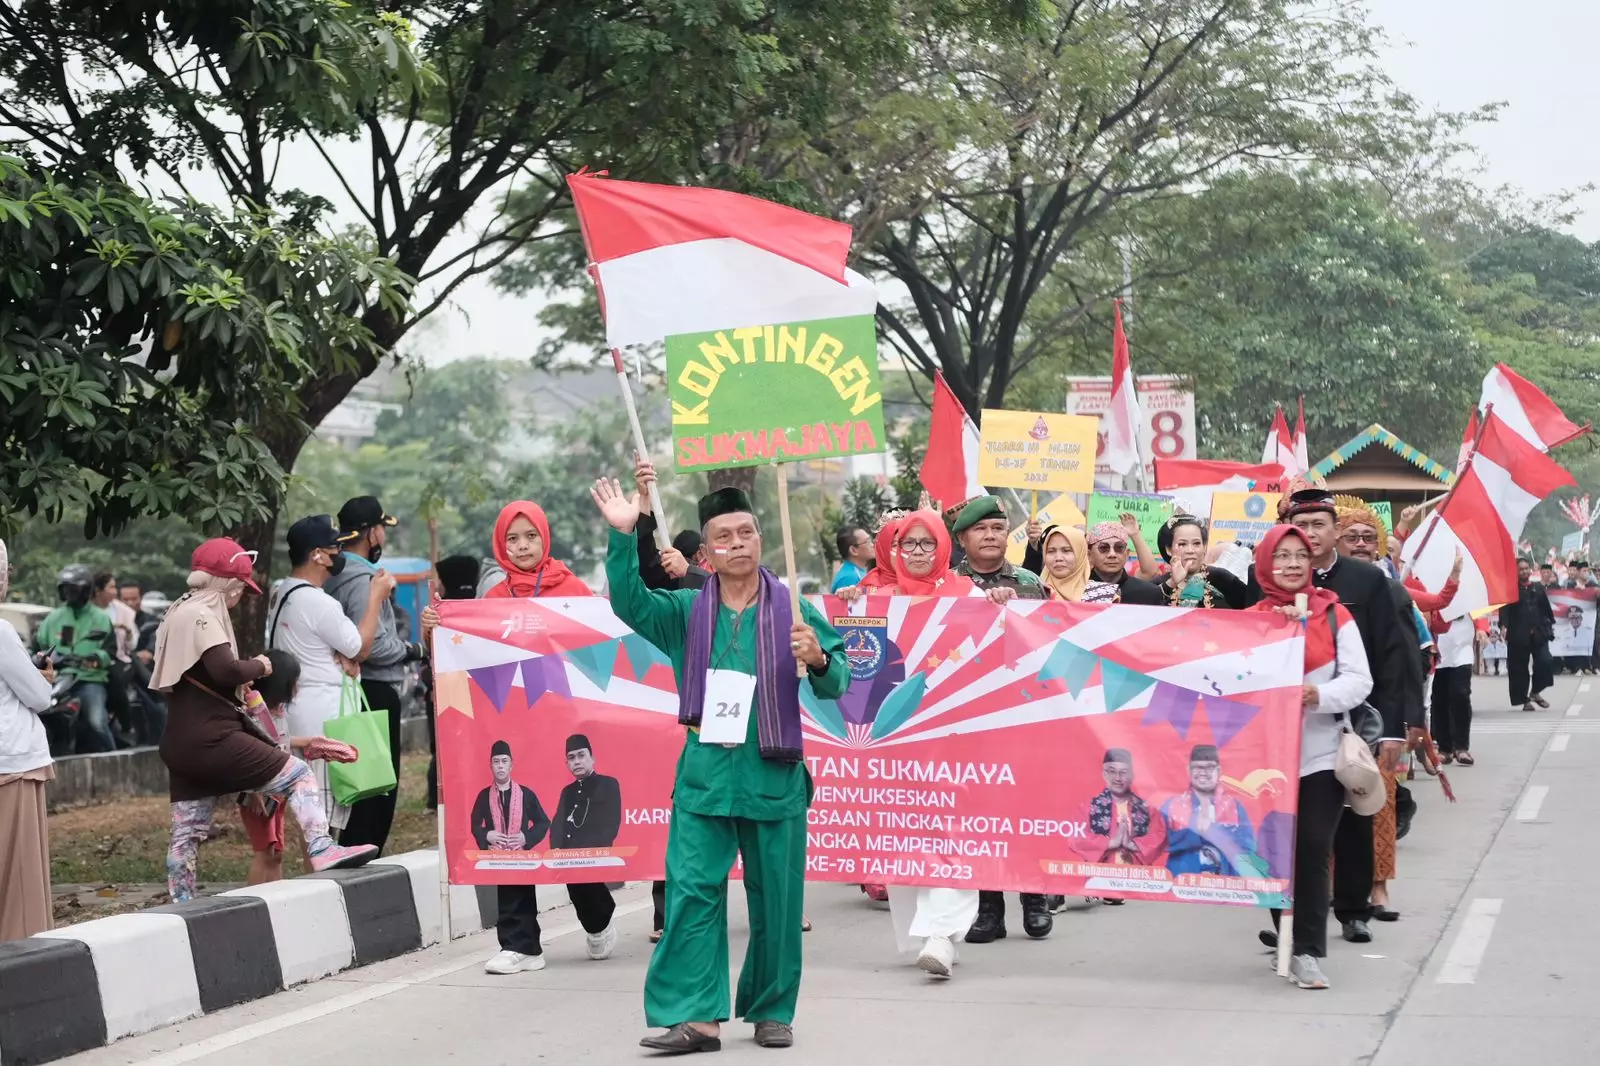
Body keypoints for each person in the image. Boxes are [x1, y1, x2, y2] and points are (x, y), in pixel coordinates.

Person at [593, 476, 849, 1053]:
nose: (738, 543)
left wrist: (818, 658)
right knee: (691, 894)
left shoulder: (793, 607)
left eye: (747, 532)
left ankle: (772, 1009)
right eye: (724, 537)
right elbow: (630, 602)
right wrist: (622, 534)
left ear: (760, 539)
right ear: (705, 554)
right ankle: (696, 1018)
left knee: (777, 902)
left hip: (774, 776)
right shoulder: (686, 610)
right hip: (705, 778)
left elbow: (839, 683)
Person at [427, 499, 619, 975]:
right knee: (507, 835)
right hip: (512, 733)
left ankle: (598, 917)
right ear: (501, 545)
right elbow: (464, 662)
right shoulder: (490, 604)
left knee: (571, 840)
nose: (522, 546)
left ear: (544, 538)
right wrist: (439, 629)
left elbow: (603, 657)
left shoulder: (575, 591)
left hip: (566, 730)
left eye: (529, 536)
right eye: (512, 539)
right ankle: (520, 945)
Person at [155, 538, 377, 902]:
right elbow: (226, 670)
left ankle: (181, 900)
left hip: (179, 742)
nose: (240, 594)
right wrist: (262, 665)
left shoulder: (175, 612)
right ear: (226, 583)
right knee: (299, 775)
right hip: (213, 736)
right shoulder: (203, 614)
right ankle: (321, 847)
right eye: (240, 586)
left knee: (186, 833)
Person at [1269, 486, 1412, 947]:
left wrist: (1396, 727)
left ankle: (1353, 909)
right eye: (1301, 526)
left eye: (1318, 526)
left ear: (1336, 531)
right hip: (1280, 732)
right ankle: (1292, 923)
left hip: (1352, 722)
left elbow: (1394, 656)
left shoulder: (1368, 582)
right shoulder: (1269, 584)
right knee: (1289, 836)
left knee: (1352, 817)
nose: (1308, 537)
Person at [1249, 525, 1374, 990]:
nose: (1292, 564)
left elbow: (1360, 681)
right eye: (1281, 556)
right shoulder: (1247, 622)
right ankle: (1285, 935)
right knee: (1273, 853)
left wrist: (1315, 694)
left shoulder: (1335, 614)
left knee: (1312, 847)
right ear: (1265, 563)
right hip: (1264, 761)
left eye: (1300, 555)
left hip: (1321, 756)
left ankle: (1307, 952)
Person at [267, 516, 395, 832]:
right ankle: (323, 874)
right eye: (334, 548)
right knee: (322, 812)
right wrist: (375, 597)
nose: (338, 553)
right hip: (324, 712)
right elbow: (360, 648)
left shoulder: (280, 590)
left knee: (308, 806)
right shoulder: (318, 602)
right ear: (317, 555)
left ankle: (319, 875)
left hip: (298, 705)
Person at [327, 496, 426, 855]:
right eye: (381, 529)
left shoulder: (336, 575)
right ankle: (362, 859)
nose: (383, 537)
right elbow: (370, 645)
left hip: (352, 690)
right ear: (370, 533)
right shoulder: (363, 579)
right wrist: (415, 650)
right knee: (377, 791)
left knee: (361, 785)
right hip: (374, 691)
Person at [239, 650, 361, 886]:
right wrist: (252, 792)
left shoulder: (276, 713)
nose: (298, 688)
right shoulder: (254, 713)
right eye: (295, 682)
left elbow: (278, 741)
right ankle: (254, 900)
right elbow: (249, 752)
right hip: (257, 794)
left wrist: (310, 742)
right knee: (264, 852)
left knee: (276, 854)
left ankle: (275, 899)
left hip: (276, 792)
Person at [0, 537, 60, 939]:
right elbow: (38, 697)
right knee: (18, 882)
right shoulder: (1, 630)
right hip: (12, 761)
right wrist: (45, 678)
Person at [34, 564, 117, 753]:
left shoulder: (101, 618)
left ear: (86, 590)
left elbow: (110, 652)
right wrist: (37, 656)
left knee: (96, 722)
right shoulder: (53, 618)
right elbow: (37, 646)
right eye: (65, 588)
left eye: (73, 588)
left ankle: (116, 760)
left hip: (89, 679)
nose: (68, 592)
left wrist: (96, 657)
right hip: (58, 678)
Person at [1161, 745, 1256, 876]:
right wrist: (1194, 834)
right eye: (1197, 767)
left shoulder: (1233, 806)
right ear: (1188, 770)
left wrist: (1214, 832)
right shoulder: (1172, 806)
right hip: (1181, 884)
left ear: (1219, 771)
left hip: (1225, 882)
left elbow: (1248, 847)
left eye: (1209, 767)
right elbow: (1160, 842)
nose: (1203, 773)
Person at [1072, 748, 1168, 866]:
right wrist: (1110, 843)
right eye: (1112, 771)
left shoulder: (1147, 809)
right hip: (1099, 877)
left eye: (1123, 772)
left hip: (1138, 878)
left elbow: (1160, 836)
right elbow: (1076, 838)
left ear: (1132, 776)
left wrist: (1132, 845)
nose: (1117, 778)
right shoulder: (1088, 807)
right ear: (1104, 774)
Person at [951, 496, 1046, 601]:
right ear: (961, 539)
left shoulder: (1032, 583)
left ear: (1007, 534)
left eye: (997, 528)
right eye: (980, 528)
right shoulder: (945, 585)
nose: (990, 536)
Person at [469, 740, 551, 855]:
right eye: (496, 762)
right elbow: (474, 824)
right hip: (493, 859)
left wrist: (526, 838)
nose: (500, 766)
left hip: (521, 860)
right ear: (491, 766)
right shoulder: (484, 795)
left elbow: (543, 822)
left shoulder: (526, 794)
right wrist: (486, 835)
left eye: (504, 761)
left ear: (511, 765)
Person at [549, 734, 623, 849]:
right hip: (567, 861)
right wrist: (556, 850)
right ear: (567, 764)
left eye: (581, 755)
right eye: (571, 758)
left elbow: (611, 827)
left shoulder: (608, 784)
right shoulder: (567, 791)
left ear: (592, 759)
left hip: (595, 859)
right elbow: (557, 828)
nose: (577, 762)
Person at [1154, 516, 1246, 608]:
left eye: (1196, 543)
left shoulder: (1221, 578)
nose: (1190, 550)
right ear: (1168, 549)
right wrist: (1171, 584)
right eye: (1182, 544)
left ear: (1204, 546)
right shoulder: (1158, 585)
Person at [1501, 557, 1555, 713]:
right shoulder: (1511, 589)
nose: (1524, 571)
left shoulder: (1537, 588)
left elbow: (1546, 610)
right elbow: (1505, 610)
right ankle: (1524, 700)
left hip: (1538, 633)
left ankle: (1535, 691)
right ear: (1516, 571)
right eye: (1521, 569)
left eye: (1526, 568)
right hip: (1518, 634)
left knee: (1545, 661)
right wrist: (1503, 625)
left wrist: (1549, 625)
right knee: (1519, 668)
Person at [1084, 520, 1165, 605]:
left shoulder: (1148, 593)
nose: (1112, 554)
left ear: (1127, 554)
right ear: (1089, 555)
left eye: (1119, 548)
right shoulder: (1077, 591)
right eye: (1103, 548)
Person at [1433, 615, 1476, 766]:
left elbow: (1479, 605)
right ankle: (1445, 748)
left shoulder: (1466, 591)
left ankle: (1461, 747)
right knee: (1439, 698)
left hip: (1462, 645)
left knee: (1461, 694)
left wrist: (1483, 628)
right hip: (1438, 642)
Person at [1035, 524, 1090, 602]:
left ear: (1081, 553)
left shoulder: (1105, 595)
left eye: (1066, 550)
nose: (1058, 558)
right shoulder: (1032, 594)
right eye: (1051, 551)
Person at [832, 527, 874, 592]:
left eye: (871, 540)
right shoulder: (849, 577)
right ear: (853, 550)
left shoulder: (857, 573)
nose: (872, 545)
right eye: (867, 542)